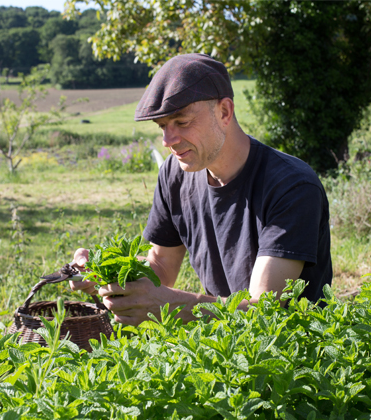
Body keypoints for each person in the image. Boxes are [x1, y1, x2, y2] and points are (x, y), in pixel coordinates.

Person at [71, 53, 332, 326]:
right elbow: (160, 268)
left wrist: (175, 305)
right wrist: (107, 269)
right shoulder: (175, 174)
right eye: (162, 127)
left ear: (224, 112)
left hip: (296, 351)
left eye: (182, 122)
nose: (168, 141)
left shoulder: (291, 186)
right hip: (219, 345)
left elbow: (264, 314)